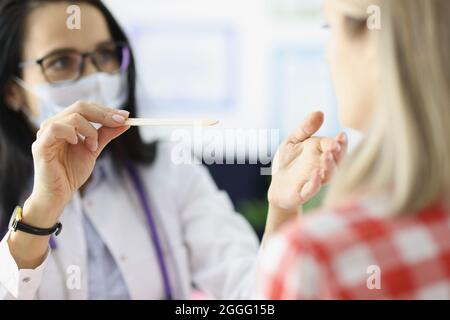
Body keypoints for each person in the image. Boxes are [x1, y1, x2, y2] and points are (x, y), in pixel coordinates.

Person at [0, 0, 345, 300]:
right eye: (62, 62)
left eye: (105, 55)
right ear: (11, 91)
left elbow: (254, 296)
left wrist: (282, 208)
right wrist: (42, 211)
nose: (94, 76)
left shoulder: (170, 171)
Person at [258, 0, 450, 299]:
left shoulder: (316, 258)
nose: (327, 55)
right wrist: (282, 209)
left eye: (330, 29)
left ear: (374, 43)